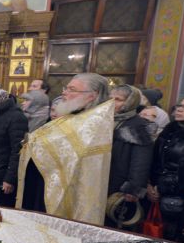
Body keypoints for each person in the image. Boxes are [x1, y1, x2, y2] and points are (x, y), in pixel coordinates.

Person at [17, 73, 113, 225]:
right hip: (41, 184)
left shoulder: (94, 123)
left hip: (62, 190)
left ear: (92, 95)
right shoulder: (71, 115)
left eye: (72, 89)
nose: (64, 93)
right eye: (66, 88)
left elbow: (72, 155)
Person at [147, 95, 184, 240]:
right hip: (161, 195)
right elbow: (156, 161)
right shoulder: (170, 130)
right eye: (179, 105)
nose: (180, 109)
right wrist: (150, 184)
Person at [107, 85, 153, 221]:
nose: (112, 102)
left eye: (118, 99)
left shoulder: (138, 125)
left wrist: (133, 188)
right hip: (102, 178)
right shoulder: (106, 120)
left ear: (130, 102)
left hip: (120, 181)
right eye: (110, 98)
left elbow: (141, 160)